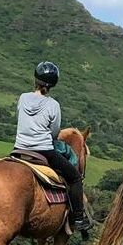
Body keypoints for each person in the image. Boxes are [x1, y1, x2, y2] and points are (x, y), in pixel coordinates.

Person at [14, 61, 91, 231]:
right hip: (43, 152)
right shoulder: (53, 105)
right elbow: (55, 133)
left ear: (35, 79)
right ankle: (78, 218)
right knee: (75, 178)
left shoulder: (23, 98)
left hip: (18, 150)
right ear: (53, 84)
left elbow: (19, 118)